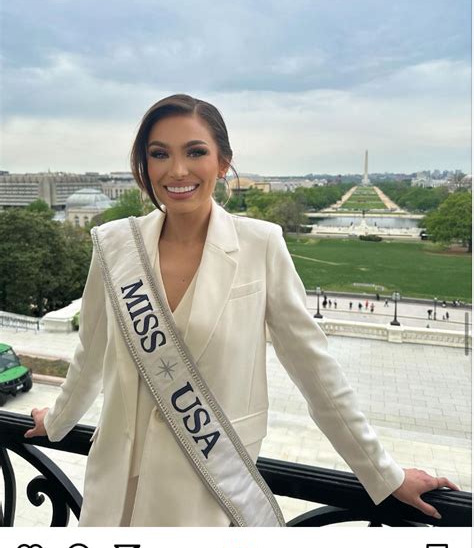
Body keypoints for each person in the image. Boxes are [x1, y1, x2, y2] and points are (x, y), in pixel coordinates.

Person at [25, 94, 456, 526]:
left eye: (195, 152)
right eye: (160, 154)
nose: (177, 170)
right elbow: (90, 354)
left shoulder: (261, 245)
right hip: (116, 488)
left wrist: (385, 475)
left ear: (223, 162)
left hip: (206, 487)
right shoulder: (115, 245)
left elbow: (316, 373)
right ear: (144, 164)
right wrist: (57, 420)